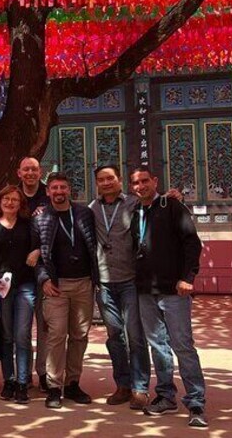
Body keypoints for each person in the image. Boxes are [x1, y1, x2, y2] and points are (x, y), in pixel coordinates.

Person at [129, 166, 207, 428]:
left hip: (174, 290)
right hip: (145, 291)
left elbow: (192, 243)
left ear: (154, 181)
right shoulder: (136, 212)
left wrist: (188, 277)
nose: (140, 186)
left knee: (182, 345)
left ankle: (195, 401)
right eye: (135, 183)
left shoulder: (172, 206)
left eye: (144, 181)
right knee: (158, 346)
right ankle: (165, 395)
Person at [88, 164, 151, 410]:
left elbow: (154, 205)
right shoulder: (91, 210)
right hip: (104, 284)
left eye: (110, 178)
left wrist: (172, 197)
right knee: (115, 336)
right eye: (101, 179)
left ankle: (140, 387)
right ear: (97, 184)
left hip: (130, 281)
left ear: (119, 180)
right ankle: (122, 385)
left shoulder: (133, 204)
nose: (106, 183)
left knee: (135, 336)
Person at [33, 172, 98, 409]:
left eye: (63, 187)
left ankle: (72, 383)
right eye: (54, 188)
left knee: (80, 335)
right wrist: (44, 280)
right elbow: (35, 255)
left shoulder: (84, 213)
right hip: (55, 285)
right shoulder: (40, 219)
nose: (59, 192)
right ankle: (53, 386)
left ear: (69, 189)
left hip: (83, 283)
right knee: (57, 335)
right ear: (48, 192)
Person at [0, 185, 38, 403]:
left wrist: (37, 251)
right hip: (2, 287)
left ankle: (23, 382)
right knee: (6, 335)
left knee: (22, 334)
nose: (10, 203)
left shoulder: (28, 225)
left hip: (25, 285)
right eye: (7, 198)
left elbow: (38, 246)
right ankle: (10, 380)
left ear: (20, 204)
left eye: (15, 199)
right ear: (0, 201)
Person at [17, 156, 50, 390]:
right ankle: (23, 373)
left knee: (46, 326)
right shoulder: (12, 196)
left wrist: (40, 249)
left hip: (47, 271)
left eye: (34, 169)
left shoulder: (51, 195)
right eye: (26, 169)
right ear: (19, 173)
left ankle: (44, 372)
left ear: (41, 172)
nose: (30, 173)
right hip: (20, 272)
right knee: (22, 327)